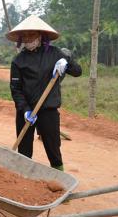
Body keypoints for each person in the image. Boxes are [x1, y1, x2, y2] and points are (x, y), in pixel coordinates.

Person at [7, 15, 82, 171]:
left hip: (48, 110)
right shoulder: (18, 61)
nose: (28, 39)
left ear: (40, 36)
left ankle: (59, 177)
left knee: (53, 147)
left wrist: (67, 61)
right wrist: (25, 109)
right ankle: (23, 179)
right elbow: (16, 89)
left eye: (32, 35)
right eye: (25, 36)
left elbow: (77, 72)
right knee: (24, 150)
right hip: (26, 112)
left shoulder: (55, 54)